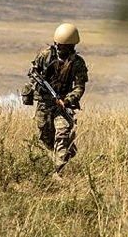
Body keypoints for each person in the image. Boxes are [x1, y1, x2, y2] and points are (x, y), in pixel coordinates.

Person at [24, 23, 88, 174]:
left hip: (62, 104)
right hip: (44, 103)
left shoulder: (77, 63)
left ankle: (58, 171)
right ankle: (67, 150)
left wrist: (67, 100)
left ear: (72, 46)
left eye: (65, 46)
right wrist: (31, 91)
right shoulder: (45, 55)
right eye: (59, 45)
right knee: (45, 137)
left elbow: (79, 87)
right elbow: (33, 73)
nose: (61, 49)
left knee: (62, 132)